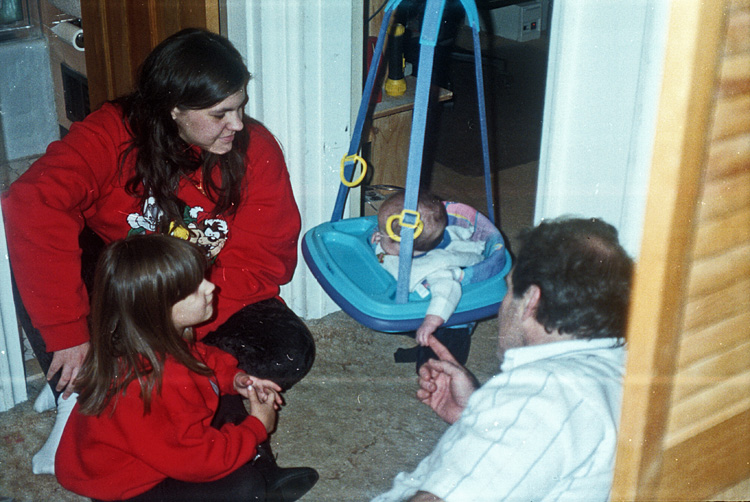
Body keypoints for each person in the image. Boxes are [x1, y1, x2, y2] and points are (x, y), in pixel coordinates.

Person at [1, 28, 314, 473]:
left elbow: (266, 261)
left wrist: (175, 331)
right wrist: (68, 331)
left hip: (201, 298)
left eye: (241, 106)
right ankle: (80, 398)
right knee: (44, 249)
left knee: (288, 350)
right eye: (221, 113)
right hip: (125, 291)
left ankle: (148, 409)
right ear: (173, 110)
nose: (239, 124)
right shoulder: (112, 133)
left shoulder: (255, 151)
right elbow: (31, 201)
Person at [373, 217, 634, 502]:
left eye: (509, 289)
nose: (503, 305)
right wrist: (475, 414)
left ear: (531, 299)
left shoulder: (538, 398)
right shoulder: (624, 366)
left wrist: (508, 413)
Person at [54, 234, 317, 501]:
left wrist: (236, 379)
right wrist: (257, 427)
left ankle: (265, 472)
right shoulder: (148, 385)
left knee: (228, 397)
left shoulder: (153, 337)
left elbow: (204, 358)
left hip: (161, 450)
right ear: (156, 308)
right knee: (243, 487)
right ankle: (259, 482)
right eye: (193, 288)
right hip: (128, 486)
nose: (210, 288)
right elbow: (198, 460)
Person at [372, 191, 485, 365]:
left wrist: (431, 322)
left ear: (403, 245)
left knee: (433, 368)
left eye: (383, 233)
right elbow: (388, 252)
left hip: (449, 322)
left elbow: (448, 291)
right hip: (422, 305)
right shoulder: (403, 246)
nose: (379, 236)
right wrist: (381, 241)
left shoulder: (436, 266)